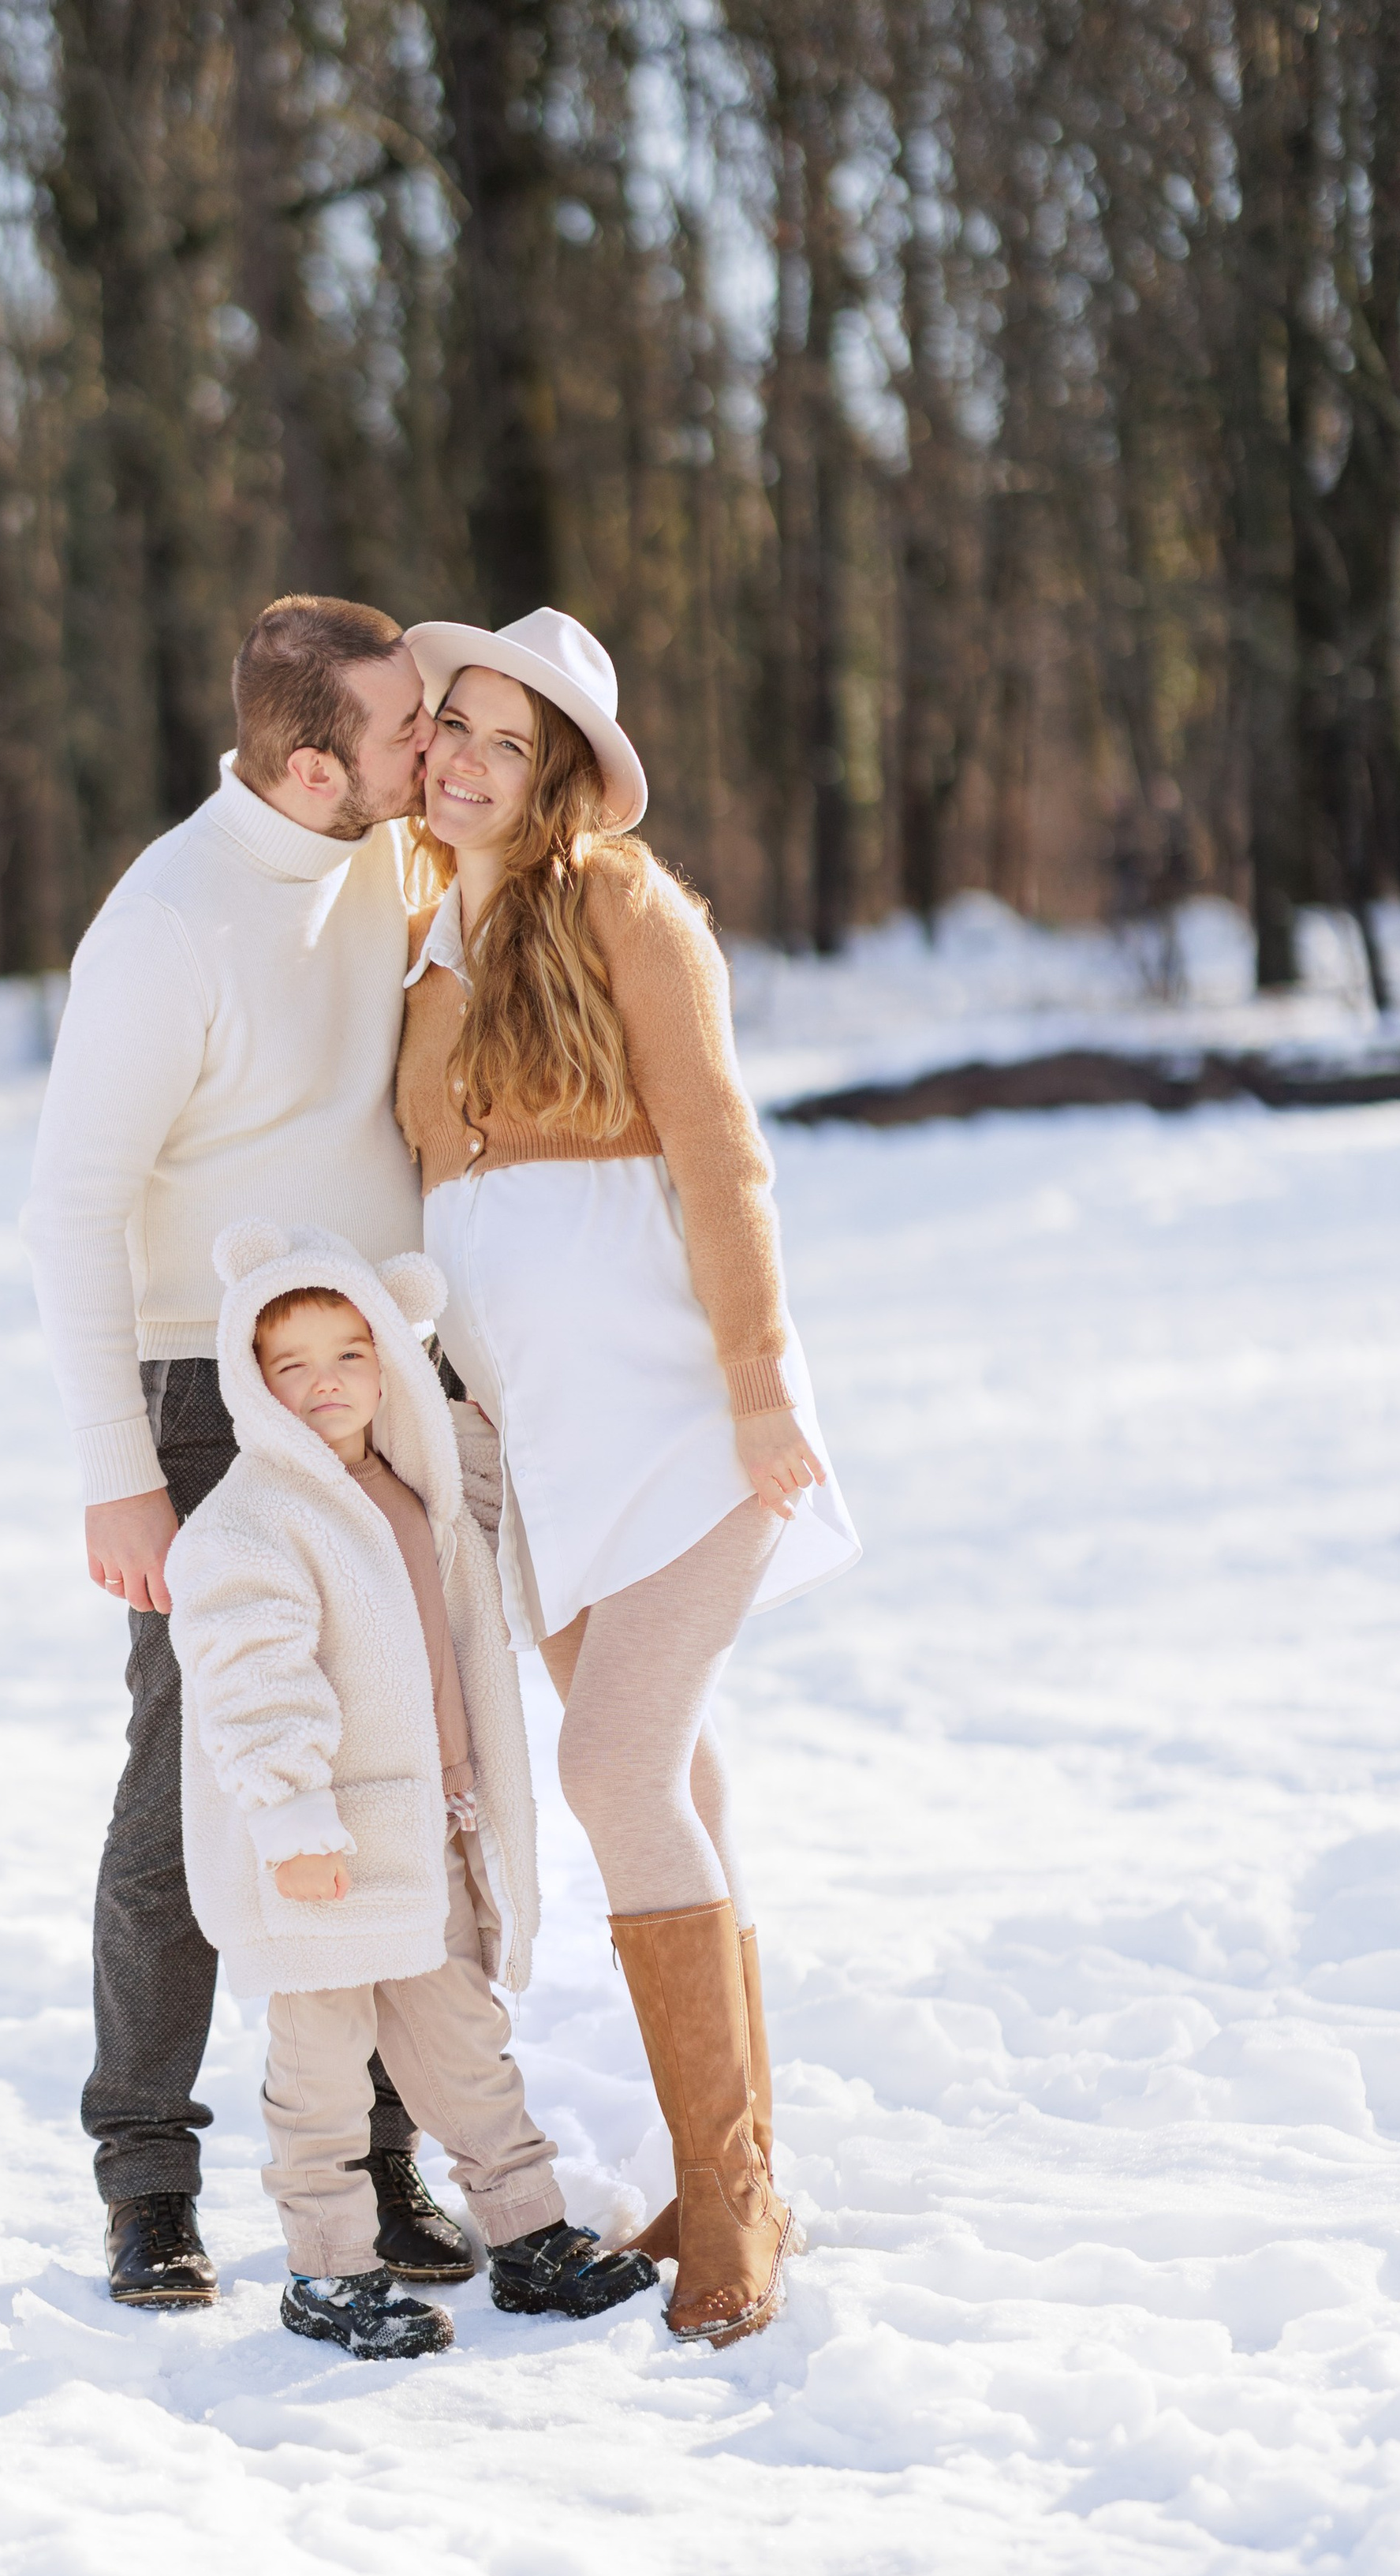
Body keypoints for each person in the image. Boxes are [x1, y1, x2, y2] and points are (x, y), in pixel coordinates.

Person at [20, 595, 498, 2309]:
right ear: (312, 767)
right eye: (399, 728)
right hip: (207, 1396)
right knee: (197, 1778)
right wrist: (117, 1470)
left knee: (382, 1762)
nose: (427, 744)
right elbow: (69, 1207)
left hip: (375, 1376)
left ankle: (373, 2162)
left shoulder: (383, 861)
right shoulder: (167, 924)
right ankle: (145, 2178)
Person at [392, 607, 862, 2346]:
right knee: (674, 1770)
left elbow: (721, 1156)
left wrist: (754, 1387)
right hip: (544, 1444)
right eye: (448, 725)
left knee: (612, 1766)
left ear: (563, 774)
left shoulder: (621, 906)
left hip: (679, 1416)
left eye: (502, 742)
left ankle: (730, 2200)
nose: (456, 758)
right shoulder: (427, 931)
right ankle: (723, 2167)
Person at [164, 1217, 658, 2359]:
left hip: (429, 1822)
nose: (323, 1384)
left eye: (350, 1354)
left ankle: (528, 2233)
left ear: (390, 1355)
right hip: (323, 1845)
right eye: (289, 1365)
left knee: (463, 2044)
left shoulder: (408, 1486)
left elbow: (482, 1558)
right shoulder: (252, 1520)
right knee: (323, 2071)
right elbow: (254, 1679)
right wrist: (291, 1819)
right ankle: (328, 2269)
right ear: (250, 1378)